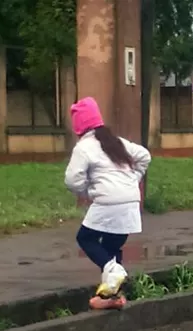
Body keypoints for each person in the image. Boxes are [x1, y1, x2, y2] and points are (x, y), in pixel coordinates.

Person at [64, 97, 151, 310]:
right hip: (130, 201)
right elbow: (145, 156)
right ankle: (112, 297)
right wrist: (133, 179)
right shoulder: (116, 141)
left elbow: (72, 180)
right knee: (111, 247)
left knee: (85, 238)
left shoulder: (84, 147)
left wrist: (87, 192)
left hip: (108, 201)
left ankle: (115, 273)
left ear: (78, 125)